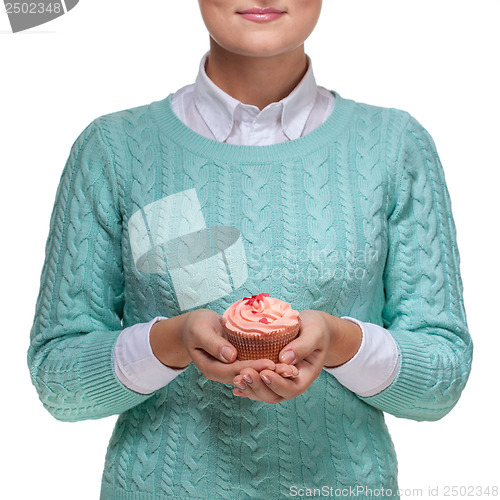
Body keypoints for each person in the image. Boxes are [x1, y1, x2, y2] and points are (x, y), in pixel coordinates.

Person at [28, 1, 473, 498]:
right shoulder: (114, 150)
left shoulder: (395, 146)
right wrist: (171, 344)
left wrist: (339, 342)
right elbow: (59, 380)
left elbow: (442, 377)